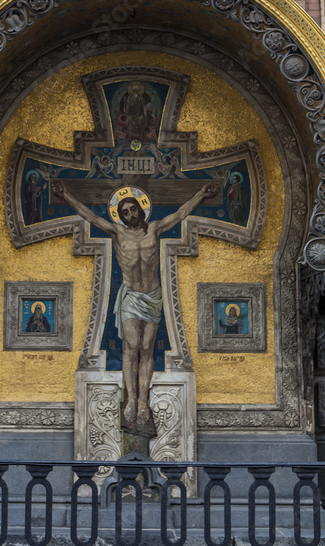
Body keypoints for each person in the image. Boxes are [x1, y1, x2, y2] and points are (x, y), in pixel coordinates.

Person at [51, 179, 218, 429]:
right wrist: (67, 196)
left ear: (141, 209)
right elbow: (91, 217)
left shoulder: (155, 229)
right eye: (125, 212)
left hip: (152, 297)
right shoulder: (117, 232)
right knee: (131, 345)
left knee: (147, 347)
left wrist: (200, 195)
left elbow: (181, 213)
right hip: (130, 296)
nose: (130, 214)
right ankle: (130, 399)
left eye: (133, 209)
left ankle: (142, 401)